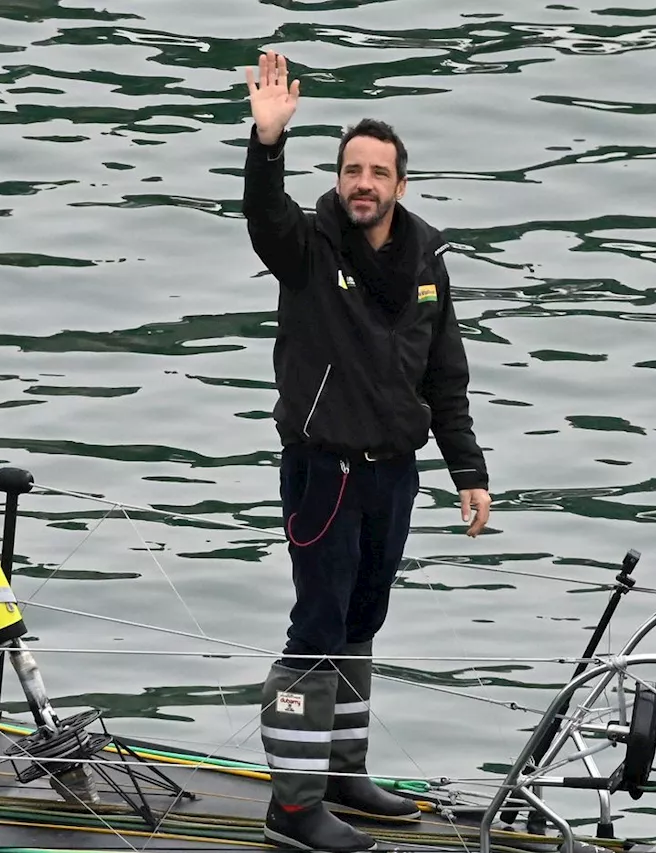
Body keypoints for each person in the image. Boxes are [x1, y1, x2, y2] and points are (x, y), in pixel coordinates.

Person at [241, 50, 492, 852]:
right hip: (324, 471)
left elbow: (445, 374)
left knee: (362, 618)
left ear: (400, 186)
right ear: (339, 177)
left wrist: (469, 472)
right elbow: (262, 216)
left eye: (377, 172)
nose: (362, 183)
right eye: (352, 169)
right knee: (315, 628)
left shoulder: (427, 260)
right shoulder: (308, 246)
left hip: (395, 473)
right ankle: (293, 805)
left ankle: (344, 771)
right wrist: (267, 141)